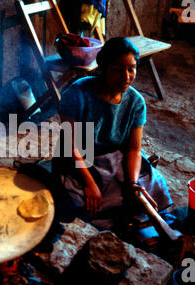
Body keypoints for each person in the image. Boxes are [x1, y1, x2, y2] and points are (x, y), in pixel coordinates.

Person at [53, 37, 173, 231]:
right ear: (103, 67)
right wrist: (89, 183)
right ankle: (120, 210)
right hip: (80, 158)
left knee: (152, 184)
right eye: (117, 70)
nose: (126, 77)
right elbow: (70, 146)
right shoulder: (77, 94)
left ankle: (127, 208)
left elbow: (134, 149)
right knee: (75, 198)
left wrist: (133, 183)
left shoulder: (136, 102)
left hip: (117, 157)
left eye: (131, 69)